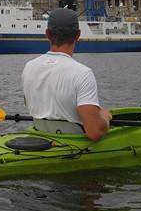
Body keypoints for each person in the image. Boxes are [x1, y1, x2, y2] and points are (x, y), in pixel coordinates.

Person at [22, 8, 112, 141]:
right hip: (73, 142)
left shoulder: (29, 67)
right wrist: (105, 117)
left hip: (42, 137)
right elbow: (95, 132)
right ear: (78, 35)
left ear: (47, 34)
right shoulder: (83, 73)